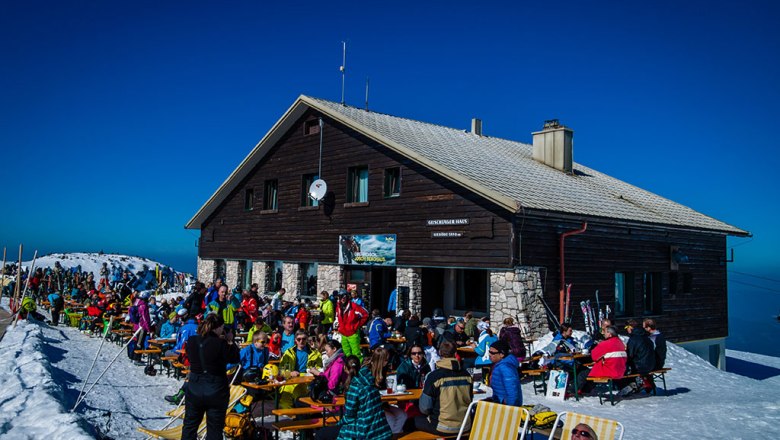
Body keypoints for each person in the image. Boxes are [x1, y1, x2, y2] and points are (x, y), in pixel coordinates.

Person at [181, 313, 240, 440]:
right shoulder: (221, 344)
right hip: (216, 389)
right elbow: (235, 358)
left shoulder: (192, 341)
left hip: (195, 386)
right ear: (218, 327)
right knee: (214, 429)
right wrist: (230, 341)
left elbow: (187, 358)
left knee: (189, 426)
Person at [315, 351, 392, 440]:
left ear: (345, 368)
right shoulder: (371, 381)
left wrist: (338, 424)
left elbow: (349, 416)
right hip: (382, 431)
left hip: (365, 431)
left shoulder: (356, 386)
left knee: (321, 434)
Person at [415, 341, 473, 436]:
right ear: (455, 354)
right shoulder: (467, 375)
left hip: (442, 426)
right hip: (464, 425)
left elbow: (424, 408)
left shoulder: (435, 376)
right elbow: (470, 399)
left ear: (440, 353)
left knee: (410, 421)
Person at [278, 329, 323, 408]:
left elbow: (320, 369)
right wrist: (290, 373)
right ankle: (289, 418)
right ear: (295, 340)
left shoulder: (315, 353)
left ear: (307, 339)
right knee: (285, 401)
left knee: (301, 400)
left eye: (304, 339)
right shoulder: (288, 353)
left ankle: (301, 418)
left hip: (306, 380)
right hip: (290, 380)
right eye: (299, 339)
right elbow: (280, 371)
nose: (301, 341)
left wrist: (312, 373)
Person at [577, 325, 627, 394]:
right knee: (589, 374)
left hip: (609, 371)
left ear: (610, 334)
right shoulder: (621, 343)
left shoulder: (605, 343)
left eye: (605, 332)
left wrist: (598, 345)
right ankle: (585, 390)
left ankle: (575, 392)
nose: (604, 334)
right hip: (621, 370)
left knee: (582, 374)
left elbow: (594, 356)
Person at [335, 289, 369, 361]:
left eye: (344, 297)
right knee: (346, 353)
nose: (343, 299)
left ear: (347, 297)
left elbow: (365, 314)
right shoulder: (338, 307)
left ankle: (358, 370)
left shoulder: (354, 306)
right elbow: (337, 317)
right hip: (343, 333)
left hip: (353, 333)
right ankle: (349, 369)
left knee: (356, 354)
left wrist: (357, 325)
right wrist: (338, 326)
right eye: (341, 297)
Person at [625, 319, 656, 393]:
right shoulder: (646, 337)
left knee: (625, 368)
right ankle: (647, 382)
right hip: (651, 364)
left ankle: (633, 385)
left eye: (627, 327)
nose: (626, 330)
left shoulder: (634, 339)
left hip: (640, 366)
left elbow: (629, 355)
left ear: (631, 327)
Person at [488, 339, 523, 406]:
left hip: (507, 407)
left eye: (492, 353)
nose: (489, 354)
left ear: (502, 354)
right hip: (500, 402)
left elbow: (512, 390)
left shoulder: (505, 367)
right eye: (489, 352)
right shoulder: (499, 365)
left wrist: (509, 405)